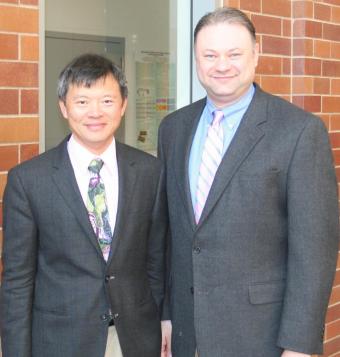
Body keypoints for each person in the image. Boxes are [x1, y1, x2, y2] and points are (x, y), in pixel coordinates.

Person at [158, 7, 339, 357]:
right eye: (209, 55)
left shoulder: (299, 131)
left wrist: (299, 345)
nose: (221, 65)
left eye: (234, 53)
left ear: (257, 54)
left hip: (261, 336)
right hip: (187, 331)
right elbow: (168, 233)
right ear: (196, 61)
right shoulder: (173, 129)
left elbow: (314, 251)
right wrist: (167, 312)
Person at [1, 53, 171, 357]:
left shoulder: (150, 172)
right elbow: (17, 282)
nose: (95, 112)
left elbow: (157, 261)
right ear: (64, 107)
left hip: (135, 338)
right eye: (82, 102)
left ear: (123, 105)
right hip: (61, 342)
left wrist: (159, 321)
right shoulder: (29, 181)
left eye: (106, 101)